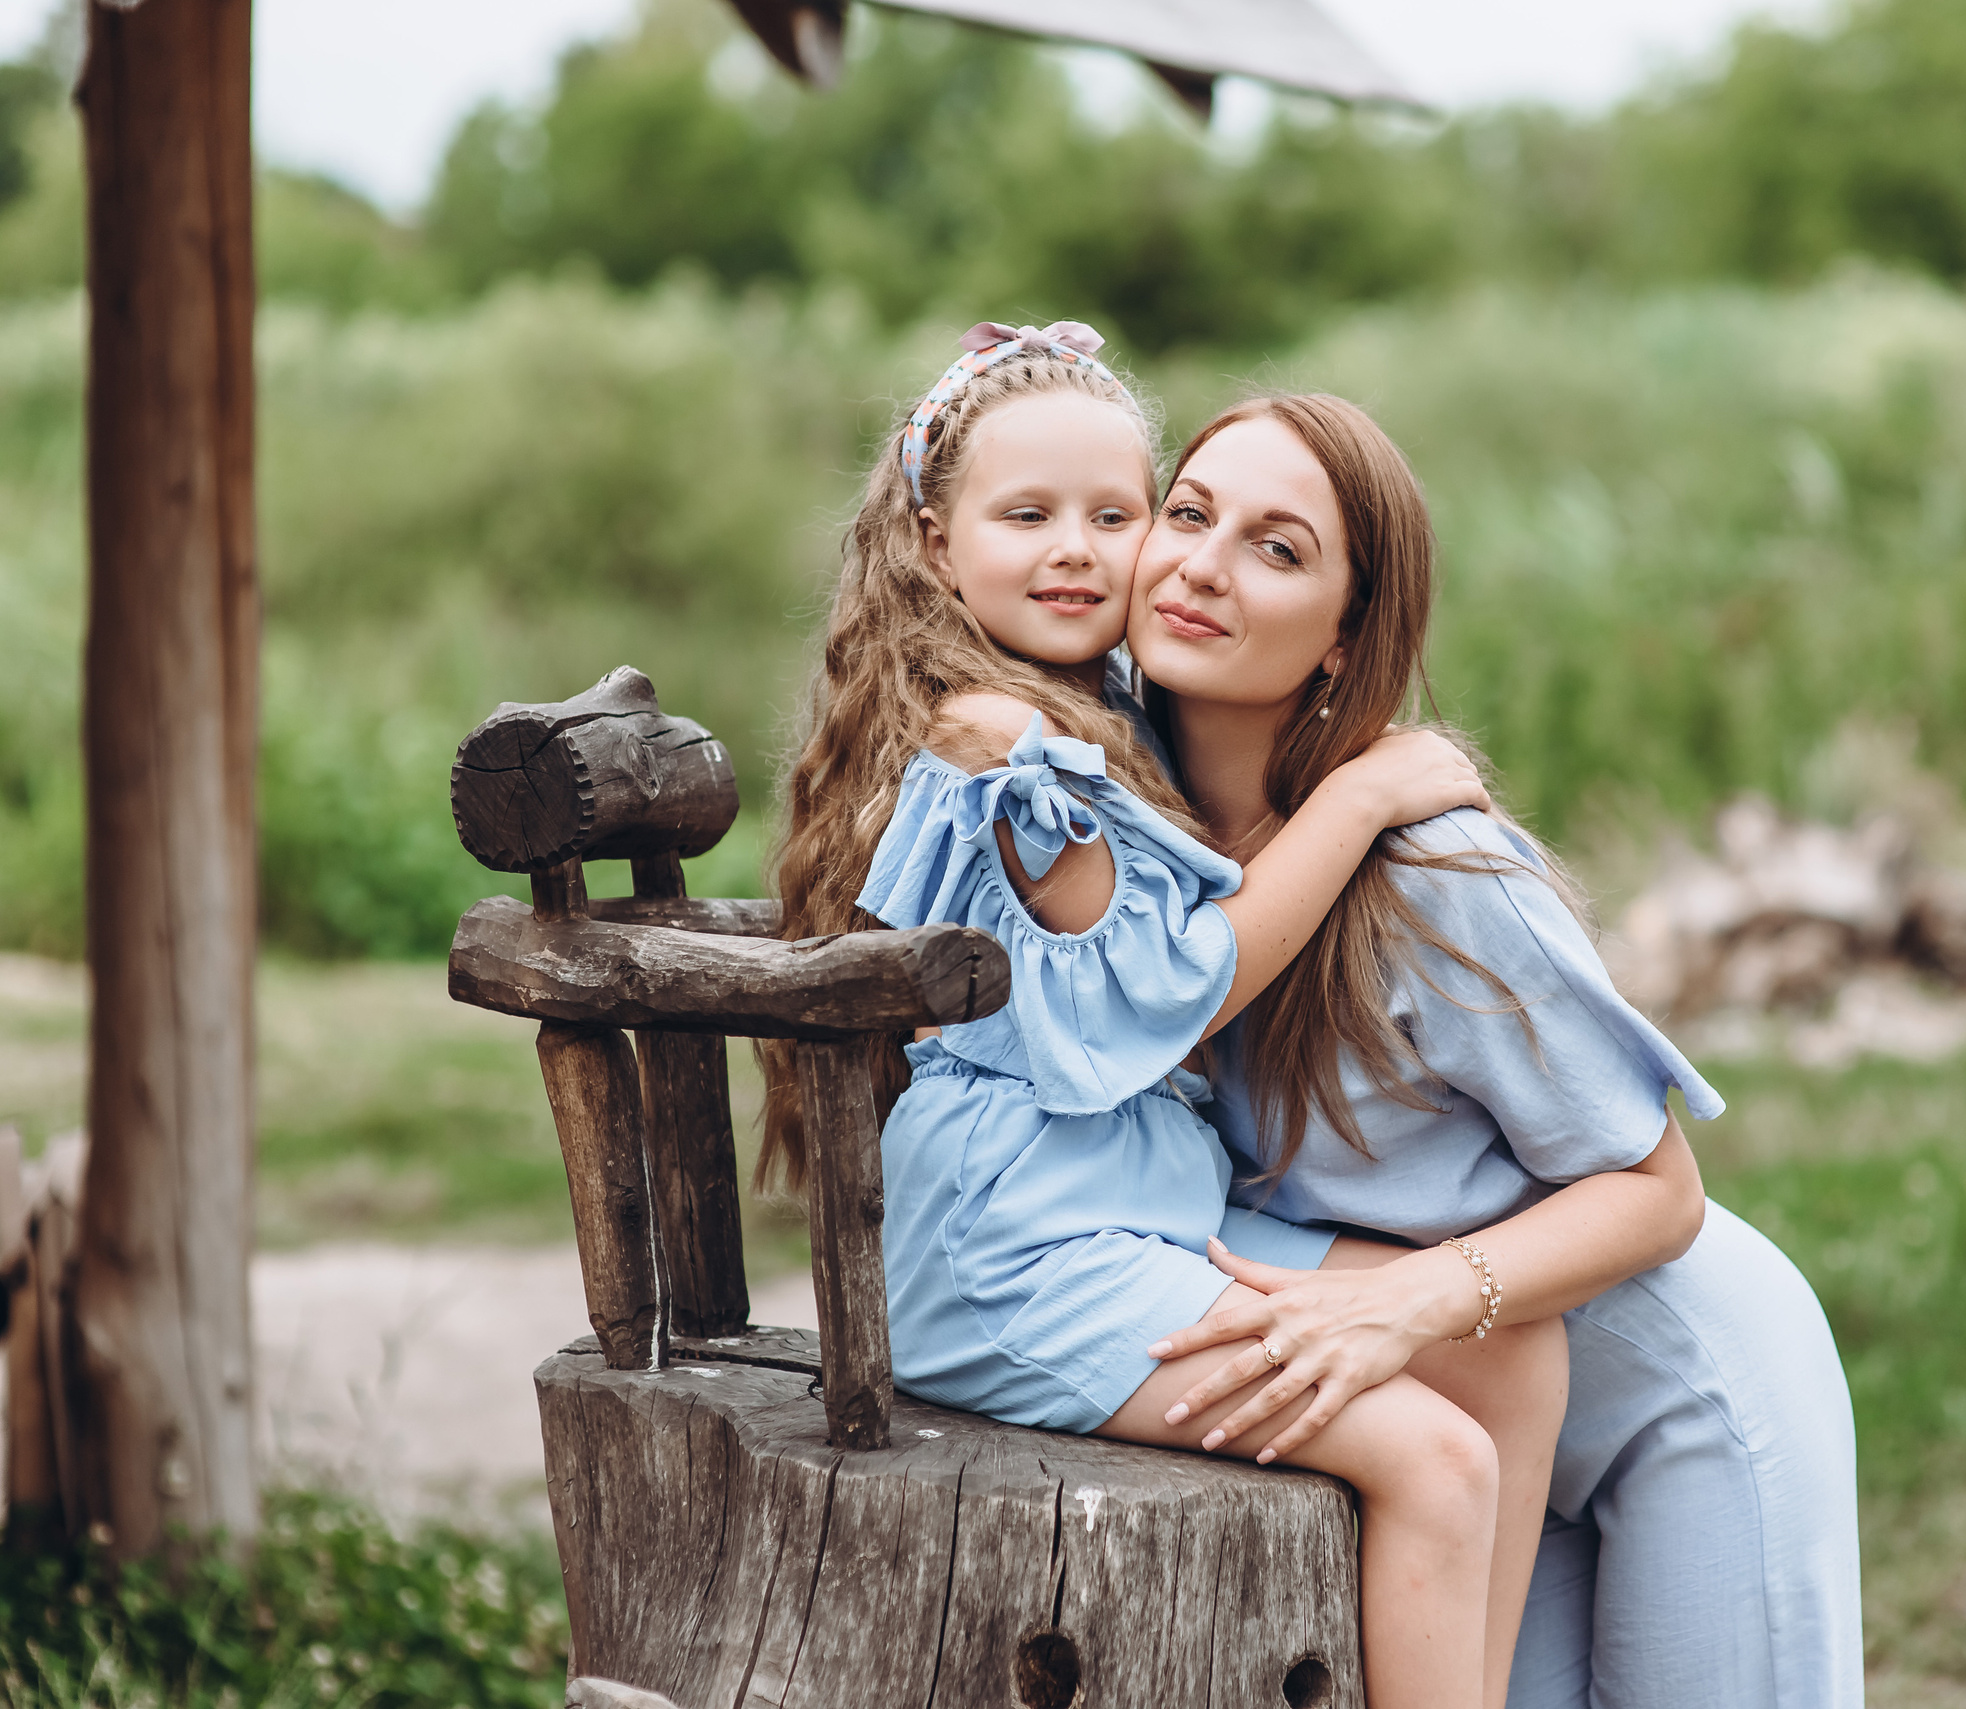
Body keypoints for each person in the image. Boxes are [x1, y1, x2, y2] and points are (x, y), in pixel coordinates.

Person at [756, 324, 1566, 1709]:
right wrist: (1362, 796)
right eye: (1029, 516)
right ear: (937, 546)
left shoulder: (1080, 717)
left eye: (1116, 514)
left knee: (1506, 1347)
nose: (1079, 548)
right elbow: (1169, 986)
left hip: (1097, 1221)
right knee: (1437, 1460)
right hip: (1020, 1262)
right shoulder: (1006, 745)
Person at [1128, 393, 1866, 1709]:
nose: (1201, 562)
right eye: (1189, 513)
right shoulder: (1114, 846)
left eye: (1276, 547)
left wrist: (1413, 1300)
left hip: (1676, 1391)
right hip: (1472, 1411)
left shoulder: (1436, 878)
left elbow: (1661, 1190)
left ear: (1347, 643)